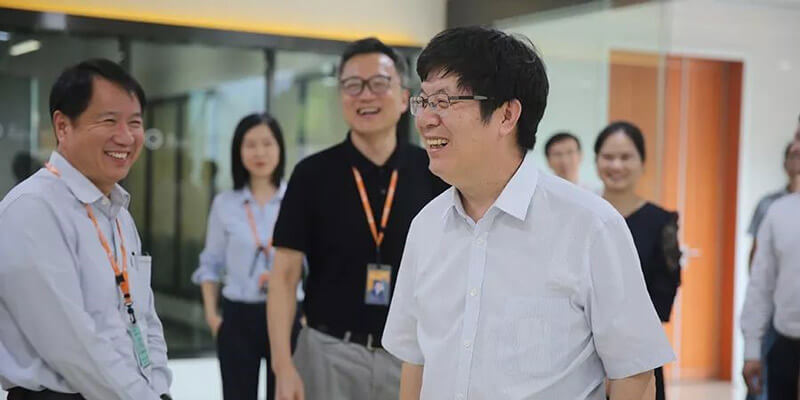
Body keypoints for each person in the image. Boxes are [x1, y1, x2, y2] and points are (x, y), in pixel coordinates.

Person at [382, 26, 674, 400]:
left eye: (443, 101)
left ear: (506, 115)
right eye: (423, 101)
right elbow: (416, 361)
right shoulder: (426, 227)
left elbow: (633, 373)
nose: (425, 119)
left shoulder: (590, 226)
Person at [267, 38, 448, 400]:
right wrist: (282, 367)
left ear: (404, 98)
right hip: (327, 351)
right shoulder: (311, 174)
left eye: (379, 83)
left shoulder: (435, 171)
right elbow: (284, 276)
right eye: (352, 85)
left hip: (412, 356)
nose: (365, 95)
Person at [0, 59, 172, 399]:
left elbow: (145, 319)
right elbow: (71, 347)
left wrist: (159, 389)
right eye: (109, 120)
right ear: (63, 126)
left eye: (135, 122)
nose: (126, 136)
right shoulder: (33, 209)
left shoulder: (119, 214)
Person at [191, 112, 300, 400]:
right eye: (250, 145)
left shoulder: (297, 200)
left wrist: (306, 319)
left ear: (280, 148)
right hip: (238, 317)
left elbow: (312, 265)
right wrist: (213, 317)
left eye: (267, 143)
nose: (259, 152)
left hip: (288, 315)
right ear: (238, 151)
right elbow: (210, 264)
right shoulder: (224, 204)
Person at [595, 121, 682, 400]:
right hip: (582, 358)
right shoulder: (581, 215)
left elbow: (664, 295)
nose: (616, 165)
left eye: (626, 157)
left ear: (642, 163)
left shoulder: (661, 222)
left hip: (639, 359)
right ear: (596, 161)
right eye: (608, 157)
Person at [741, 140, 800, 400]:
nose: (796, 148)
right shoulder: (777, 210)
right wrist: (752, 349)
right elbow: (760, 282)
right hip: (785, 340)